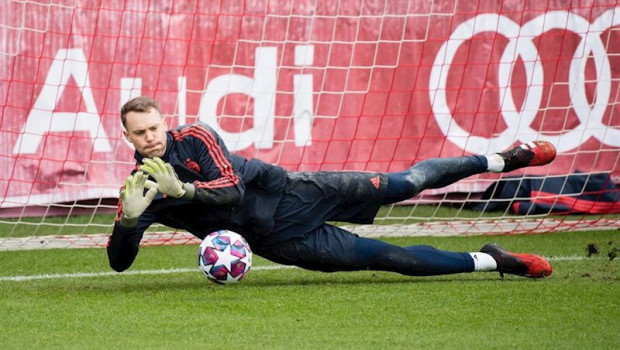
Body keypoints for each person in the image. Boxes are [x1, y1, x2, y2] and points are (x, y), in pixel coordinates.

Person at [108, 96, 556, 279]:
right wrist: (129, 223)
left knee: (405, 183)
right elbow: (118, 263)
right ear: (127, 138)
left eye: (154, 127)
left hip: (298, 192)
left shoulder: (195, 138)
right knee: (386, 258)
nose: (151, 137)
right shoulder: (140, 189)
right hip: (280, 240)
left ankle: (501, 159)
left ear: (164, 122)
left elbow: (232, 191)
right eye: (140, 133)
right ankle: (490, 259)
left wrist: (185, 192)